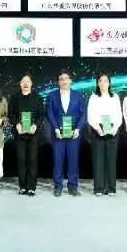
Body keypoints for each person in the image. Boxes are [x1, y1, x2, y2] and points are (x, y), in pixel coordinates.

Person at [45, 69, 87, 197]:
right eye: (61, 79)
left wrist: (78, 129)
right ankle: (58, 186)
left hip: (74, 134)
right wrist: (56, 128)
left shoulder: (78, 95)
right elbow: (49, 113)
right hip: (58, 134)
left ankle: (73, 186)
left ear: (71, 81)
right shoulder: (52, 96)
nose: (64, 81)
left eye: (66, 78)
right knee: (58, 161)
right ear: (58, 82)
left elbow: (83, 114)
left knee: (73, 161)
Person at [87, 73, 123, 197]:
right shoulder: (93, 97)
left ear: (109, 83)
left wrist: (114, 128)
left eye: (106, 81)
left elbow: (118, 115)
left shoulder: (115, 97)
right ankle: (99, 187)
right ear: (97, 83)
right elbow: (90, 115)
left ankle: (111, 187)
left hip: (112, 129)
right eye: (100, 81)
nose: (103, 83)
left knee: (111, 160)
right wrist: (97, 128)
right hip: (97, 128)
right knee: (98, 159)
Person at [8, 74, 44, 196]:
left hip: (33, 134)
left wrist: (35, 125)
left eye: (28, 81)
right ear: (20, 84)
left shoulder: (37, 97)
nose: (25, 83)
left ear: (31, 84)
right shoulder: (14, 98)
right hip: (19, 134)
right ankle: (22, 186)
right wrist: (17, 124)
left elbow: (41, 115)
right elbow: (11, 114)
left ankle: (32, 187)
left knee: (32, 160)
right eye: (23, 81)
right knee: (21, 160)